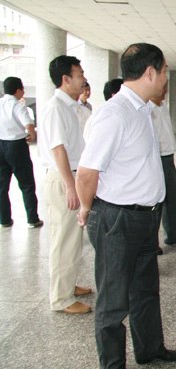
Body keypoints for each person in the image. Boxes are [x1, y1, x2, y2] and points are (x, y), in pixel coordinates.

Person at [76, 43, 176, 368]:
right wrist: (87, 209)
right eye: (164, 72)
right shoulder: (115, 114)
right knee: (113, 302)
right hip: (117, 220)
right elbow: (86, 172)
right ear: (150, 72)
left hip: (143, 218)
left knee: (145, 290)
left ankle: (150, 349)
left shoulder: (142, 110)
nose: (166, 78)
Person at [38, 56, 91, 314]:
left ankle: (68, 285)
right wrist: (70, 186)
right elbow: (58, 149)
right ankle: (61, 298)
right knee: (64, 238)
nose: (83, 79)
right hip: (63, 177)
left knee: (72, 237)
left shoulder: (72, 106)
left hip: (73, 175)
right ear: (65, 79)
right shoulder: (56, 107)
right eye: (79, 75)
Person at [150, 83, 176, 250]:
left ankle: (172, 234)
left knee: (172, 199)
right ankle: (152, 242)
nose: (165, 90)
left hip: (169, 157)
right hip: (156, 159)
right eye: (163, 87)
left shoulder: (163, 107)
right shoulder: (147, 109)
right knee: (156, 201)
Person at [0, 77, 43, 228]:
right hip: (16, 146)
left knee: (2, 186)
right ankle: (32, 219)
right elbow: (29, 125)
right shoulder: (18, 105)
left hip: (0, 145)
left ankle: (4, 220)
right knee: (27, 184)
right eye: (23, 89)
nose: (23, 92)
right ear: (18, 90)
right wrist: (32, 135)